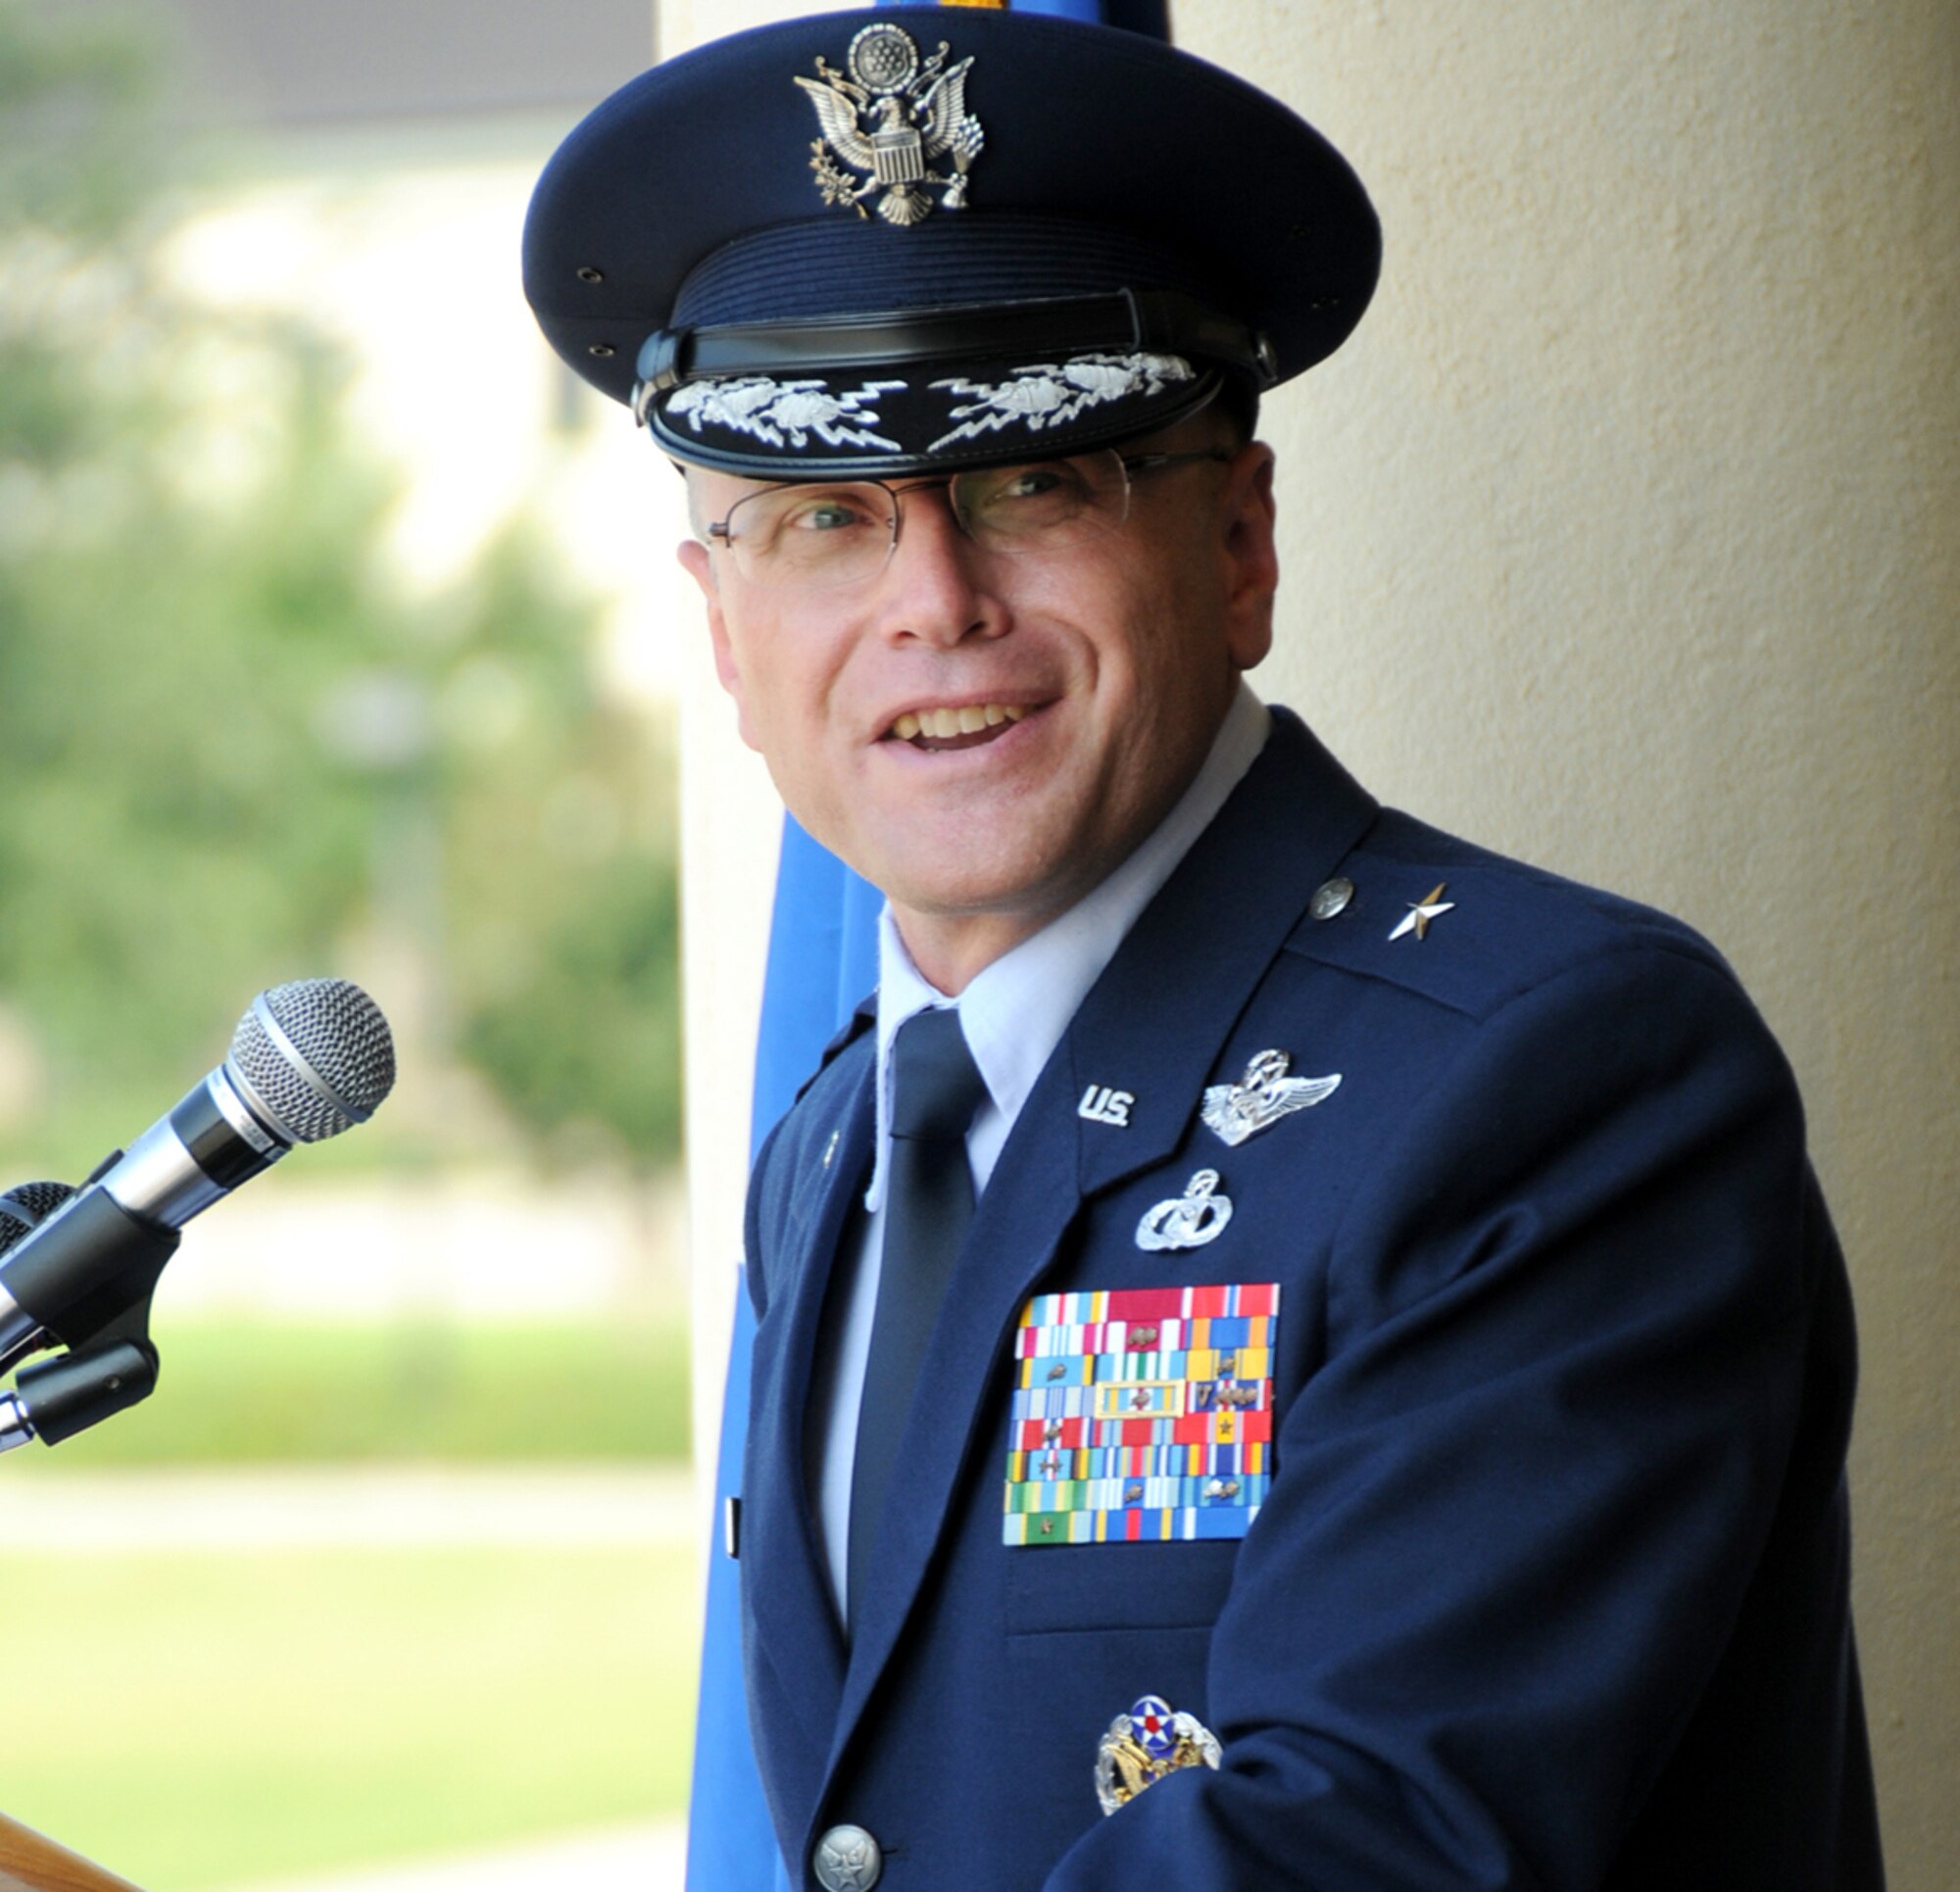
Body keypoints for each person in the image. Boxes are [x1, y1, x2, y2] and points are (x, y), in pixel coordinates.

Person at [524, 7, 1882, 1887]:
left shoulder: (1547, 1076)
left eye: (1034, 484)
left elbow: (1371, 1850)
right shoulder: (836, 1146)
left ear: (1239, 543)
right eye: (827, 519)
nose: (935, 607)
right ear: (724, 629)